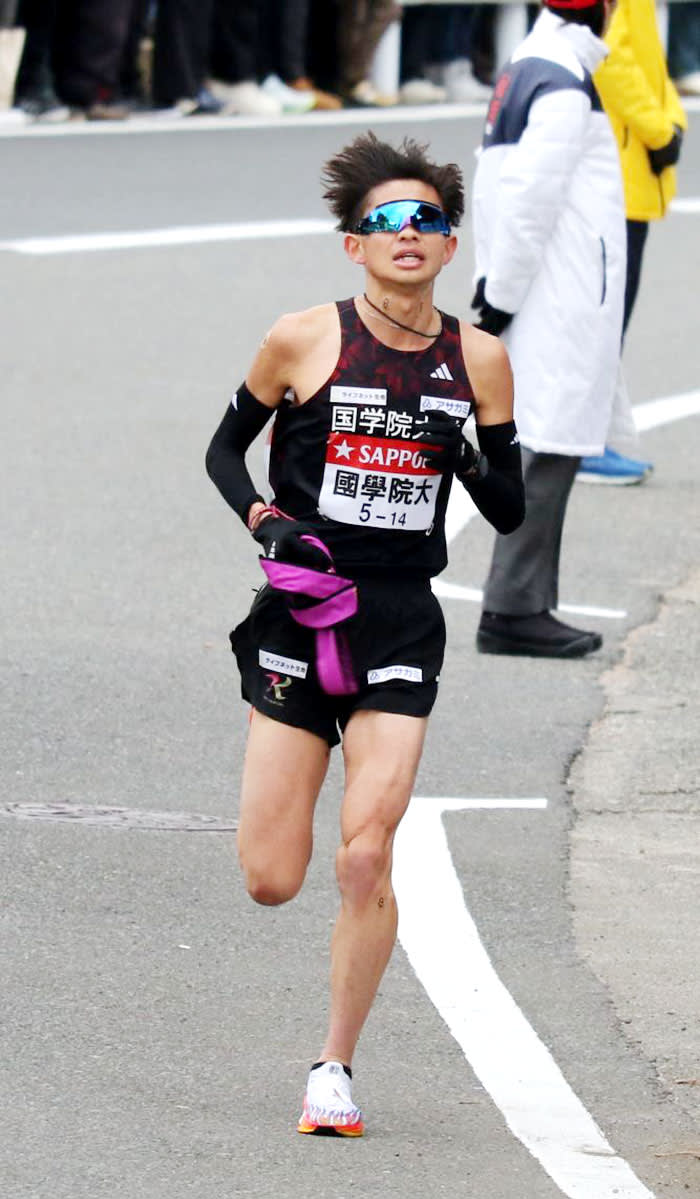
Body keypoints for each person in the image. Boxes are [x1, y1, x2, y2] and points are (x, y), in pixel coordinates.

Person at [205, 132, 524, 1135]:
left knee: (364, 854)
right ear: (353, 244)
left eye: (425, 219)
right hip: (301, 619)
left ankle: (333, 1067)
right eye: (385, 220)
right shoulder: (301, 337)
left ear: (449, 241)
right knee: (272, 875)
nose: (406, 234)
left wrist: (463, 450)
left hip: (398, 622)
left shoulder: (477, 358)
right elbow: (223, 452)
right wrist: (267, 520)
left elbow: (509, 509)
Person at [471, 0, 626, 658]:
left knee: (545, 440)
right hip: (553, 289)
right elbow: (528, 198)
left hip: (542, 282)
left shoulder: (532, 66)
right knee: (546, 444)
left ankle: (526, 602)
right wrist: (500, 295)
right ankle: (512, 608)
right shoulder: (561, 81)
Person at [576, 0, 687, 485]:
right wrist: (660, 128)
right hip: (620, 173)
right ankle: (580, 442)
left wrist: (671, 118)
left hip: (628, 170)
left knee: (607, 314)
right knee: (603, 315)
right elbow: (613, 57)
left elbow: (648, 63)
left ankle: (584, 438)